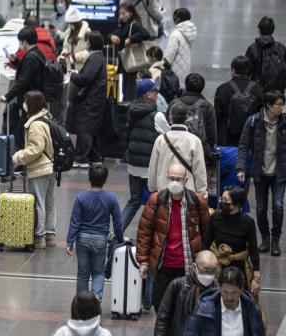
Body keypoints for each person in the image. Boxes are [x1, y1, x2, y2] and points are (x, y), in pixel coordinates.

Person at [136, 163, 211, 310]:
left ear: (186, 180)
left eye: (178, 179)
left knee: (186, 308)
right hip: (162, 265)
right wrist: (143, 261)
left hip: (188, 266)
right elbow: (144, 232)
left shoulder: (197, 202)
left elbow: (207, 233)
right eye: (171, 178)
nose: (174, 182)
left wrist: (206, 262)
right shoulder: (155, 200)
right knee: (160, 305)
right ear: (166, 178)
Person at [183, 266, 270, 336]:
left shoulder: (252, 311)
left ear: (241, 289)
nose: (229, 297)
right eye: (225, 292)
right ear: (219, 288)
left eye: (234, 292)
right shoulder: (203, 310)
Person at [151, 250, 220, 336]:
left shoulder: (218, 291)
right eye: (205, 270)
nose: (209, 275)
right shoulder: (177, 285)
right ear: (194, 267)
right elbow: (163, 318)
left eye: (212, 270)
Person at [237, 91, 286, 256]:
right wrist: (241, 167)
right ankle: (264, 237)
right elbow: (243, 145)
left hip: (280, 172)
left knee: (278, 207)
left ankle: (275, 239)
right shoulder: (253, 121)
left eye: (282, 104)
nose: (281, 107)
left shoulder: (284, 122)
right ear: (268, 106)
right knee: (260, 207)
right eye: (278, 104)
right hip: (260, 171)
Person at [66, 164, 123, 301]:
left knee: (83, 274)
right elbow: (117, 222)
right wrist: (120, 239)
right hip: (100, 239)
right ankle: (96, 302)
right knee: (98, 273)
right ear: (105, 179)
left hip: (83, 238)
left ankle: (81, 304)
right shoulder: (111, 198)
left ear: (89, 178)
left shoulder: (81, 197)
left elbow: (75, 222)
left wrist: (70, 242)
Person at [121, 79, 168, 230]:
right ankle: (152, 237)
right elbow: (170, 136)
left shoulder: (132, 110)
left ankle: (116, 232)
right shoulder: (157, 116)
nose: (157, 94)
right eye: (155, 91)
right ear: (148, 94)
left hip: (133, 163)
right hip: (149, 165)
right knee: (156, 202)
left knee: (134, 201)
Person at [12, 91, 56, 248]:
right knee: (49, 202)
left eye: (26, 101)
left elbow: (36, 148)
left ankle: (40, 237)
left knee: (38, 202)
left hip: (40, 168)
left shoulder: (36, 124)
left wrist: (18, 157)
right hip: (51, 166)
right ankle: (50, 234)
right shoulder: (47, 118)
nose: (24, 105)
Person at [203, 186, 261, 295]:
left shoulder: (247, 222)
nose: (222, 202)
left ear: (237, 204)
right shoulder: (215, 218)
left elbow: (253, 250)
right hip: (218, 267)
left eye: (226, 200)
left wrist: (256, 278)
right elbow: (206, 243)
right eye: (222, 199)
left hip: (239, 269)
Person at [148, 102, 208, 197]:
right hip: (188, 195)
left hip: (163, 193)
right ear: (187, 117)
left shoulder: (160, 140)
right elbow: (199, 171)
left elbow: (153, 169)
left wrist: (153, 189)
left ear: (170, 118)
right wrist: (202, 194)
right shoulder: (195, 141)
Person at [0, 27, 47, 140]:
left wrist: (6, 96)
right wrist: (16, 61)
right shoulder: (38, 53)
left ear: (24, 41)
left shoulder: (30, 57)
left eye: (20, 41)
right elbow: (29, 72)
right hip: (36, 98)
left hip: (30, 100)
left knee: (26, 132)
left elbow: (22, 82)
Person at [68, 31, 107, 167]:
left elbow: (86, 78)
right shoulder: (98, 57)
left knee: (85, 127)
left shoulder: (95, 58)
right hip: (95, 99)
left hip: (91, 100)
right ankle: (94, 157)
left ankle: (81, 158)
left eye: (86, 41)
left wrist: (73, 75)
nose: (85, 43)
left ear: (90, 42)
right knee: (91, 128)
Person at [214, 55, 265, 147]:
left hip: (227, 137)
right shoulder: (258, 89)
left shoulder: (223, 89)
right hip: (251, 137)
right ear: (249, 71)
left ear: (233, 70)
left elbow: (217, 115)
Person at [110, 1, 152, 100]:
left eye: (124, 13)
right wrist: (112, 36)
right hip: (127, 64)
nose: (121, 16)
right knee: (126, 90)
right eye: (120, 14)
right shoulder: (124, 25)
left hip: (134, 65)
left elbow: (146, 34)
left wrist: (131, 39)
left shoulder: (135, 24)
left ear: (131, 13)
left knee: (130, 92)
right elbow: (114, 33)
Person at [57, 6, 91, 124]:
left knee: (75, 100)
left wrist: (75, 57)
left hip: (81, 70)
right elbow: (65, 47)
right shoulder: (69, 31)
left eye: (71, 23)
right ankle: (67, 124)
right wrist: (64, 54)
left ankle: (72, 125)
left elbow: (89, 52)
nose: (70, 26)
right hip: (69, 70)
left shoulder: (87, 33)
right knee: (67, 100)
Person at [167, 73, 217, 149]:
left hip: (176, 148)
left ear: (186, 86)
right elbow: (212, 134)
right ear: (202, 87)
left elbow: (167, 126)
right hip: (199, 148)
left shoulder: (174, 103)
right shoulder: (207, 106)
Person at [246, 16, 286, 92]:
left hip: (257, 90)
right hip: (277, 91)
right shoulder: (281, 47)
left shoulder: (252, 48)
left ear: (259, 30)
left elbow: (246, 71)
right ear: (272, 30)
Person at [164, 8, 198, 81]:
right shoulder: (190, 31)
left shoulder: (176, 34)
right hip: (185, 65)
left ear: (178, 18)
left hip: (175, 68)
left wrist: (163, 66)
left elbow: (169, 55)